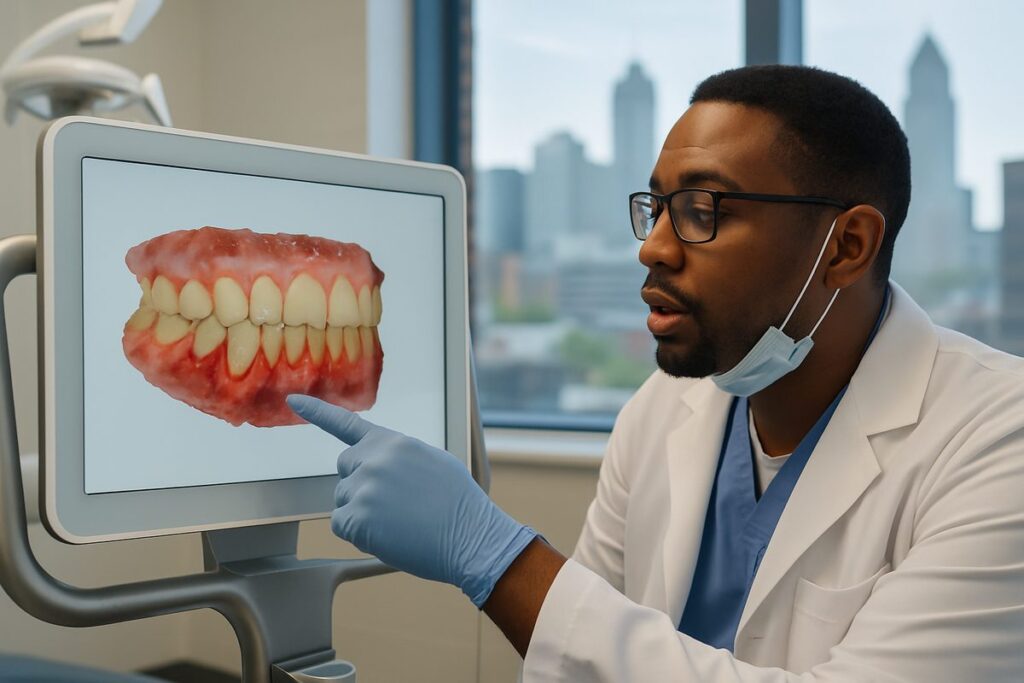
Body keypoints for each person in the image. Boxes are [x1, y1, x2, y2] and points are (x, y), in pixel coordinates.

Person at [286, 65, 1024, 681]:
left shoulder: (998, 438)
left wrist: (495, 556)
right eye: (658, 207)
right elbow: (576, 654)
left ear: (846, 246)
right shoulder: (663, 409)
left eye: (702, 208)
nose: (655, 248)